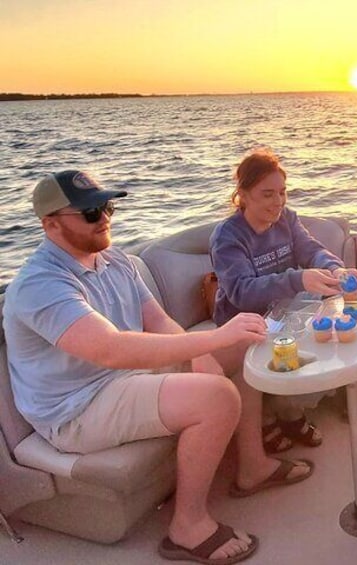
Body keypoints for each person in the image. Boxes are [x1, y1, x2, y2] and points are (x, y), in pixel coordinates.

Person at [2, 170, 316, 564]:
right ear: (50, 224)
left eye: (107, 206)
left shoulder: (115, 260)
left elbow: (160, 323)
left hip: (124, 379)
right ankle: (186, 528)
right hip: (77, 407)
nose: (103, 218)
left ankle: (251, 466)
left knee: (248, 348)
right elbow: (111, 350)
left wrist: (202, 355)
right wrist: (213, 340)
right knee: (215, 397)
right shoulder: (41, 284)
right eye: (88, 212)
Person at [210, 148, 357, 451]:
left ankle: (290, 410)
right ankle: (275, 416)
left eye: (282, 193)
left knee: (329, 336)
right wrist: (298, 279)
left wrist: (335, 267)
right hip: (244, 321)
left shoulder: (287, 219)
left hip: (285, 310)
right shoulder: (228, 237)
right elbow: (240, 291)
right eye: (267, 194)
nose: (278, 202)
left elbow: (312, 251)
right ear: (243, 194)